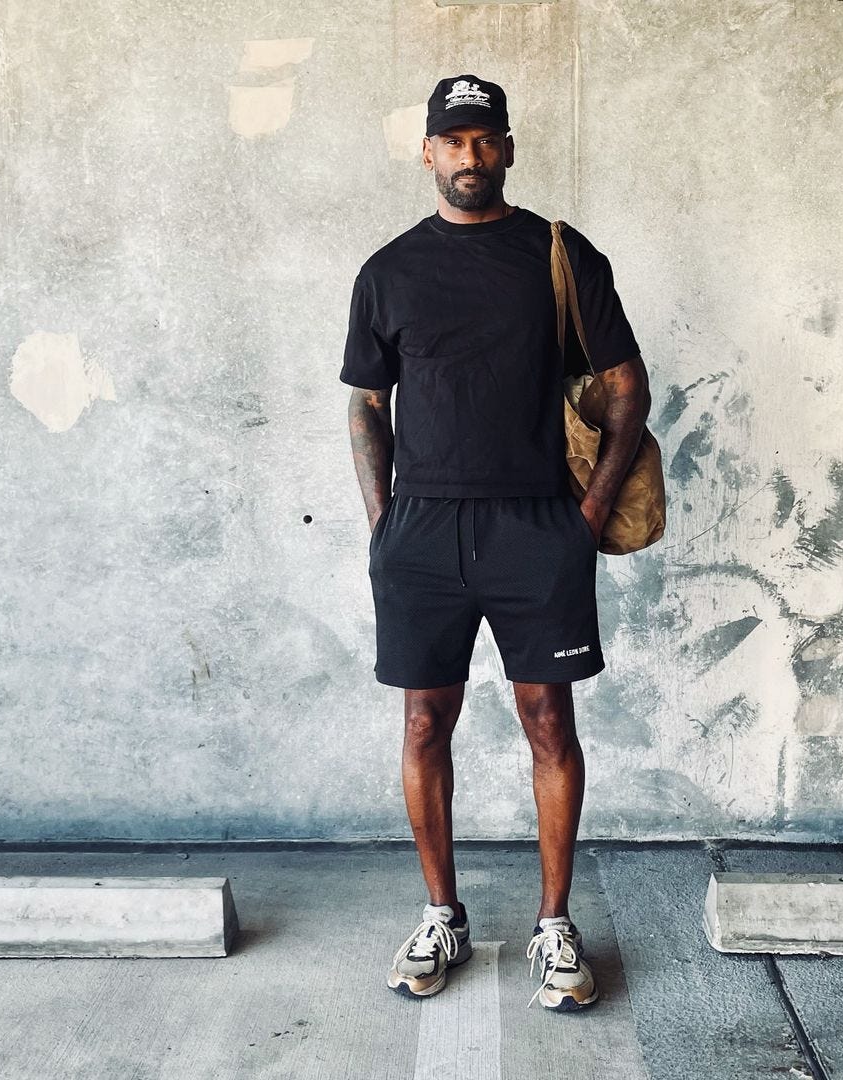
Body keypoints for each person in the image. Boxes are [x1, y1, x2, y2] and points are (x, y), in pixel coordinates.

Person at [340, 74, 651, 1012]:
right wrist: (383, 522)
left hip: (534, 527)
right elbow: (365, 403)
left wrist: (586, 517)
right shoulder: (387, 270)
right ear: (427, 153)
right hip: (423, 532)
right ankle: (444, 914)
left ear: (507, 148)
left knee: (548, 722)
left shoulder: (559, 254)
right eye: (453, 141)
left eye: (485, 140)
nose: (469, 156)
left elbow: (628, 387)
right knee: (425, 722)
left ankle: (556, 925)